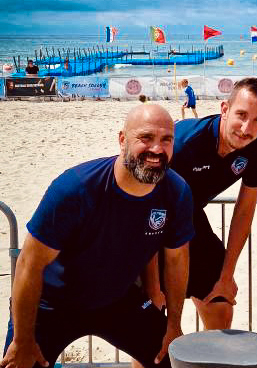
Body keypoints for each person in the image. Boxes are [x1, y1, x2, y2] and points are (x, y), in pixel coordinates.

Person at [1, 104, 194, 368]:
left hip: (117, 299)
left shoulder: (176, 192)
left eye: (166, 140)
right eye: (146, 138)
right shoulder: (75, 188)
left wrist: (173, 325)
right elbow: (29, 265)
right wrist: (22, 340)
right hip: (52, 303)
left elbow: (176, 261)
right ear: (122, 140)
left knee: (170, 359)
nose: (157, 149)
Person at [165, 77, 257, 329]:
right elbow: (139, 203)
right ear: (224, 109)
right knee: (153, 334)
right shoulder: (183, 143)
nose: (247, 128)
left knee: (221, 307)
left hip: (190, 218)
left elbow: (244, 211)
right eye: (241, 115)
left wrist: (226, 276)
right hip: (149, 224)